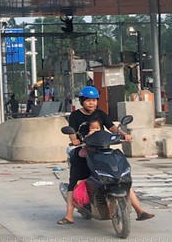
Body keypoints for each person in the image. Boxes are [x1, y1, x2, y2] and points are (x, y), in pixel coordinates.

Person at [58, 86, 140, 225]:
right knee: (74, 181)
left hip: (102, 150)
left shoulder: (100, 114)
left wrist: (124, 134)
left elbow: (112, 127)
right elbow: (72, 131)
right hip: (83, 150)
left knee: (120, 178)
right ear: (82, 101)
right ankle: (69, 215)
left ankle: (139, 210)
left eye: (94, 100)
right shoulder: (75, 115)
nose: (92, 103)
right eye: (88, 100)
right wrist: (74, 140)